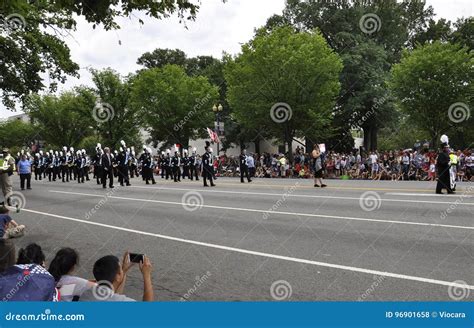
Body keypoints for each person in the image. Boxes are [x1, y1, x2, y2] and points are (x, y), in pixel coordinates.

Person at [79, 252, 154, 302]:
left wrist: (123, 270)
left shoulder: (86, 294)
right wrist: (146, 275)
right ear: (117, 276)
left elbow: (115, 294)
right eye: (120, 269)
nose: (122, 270)